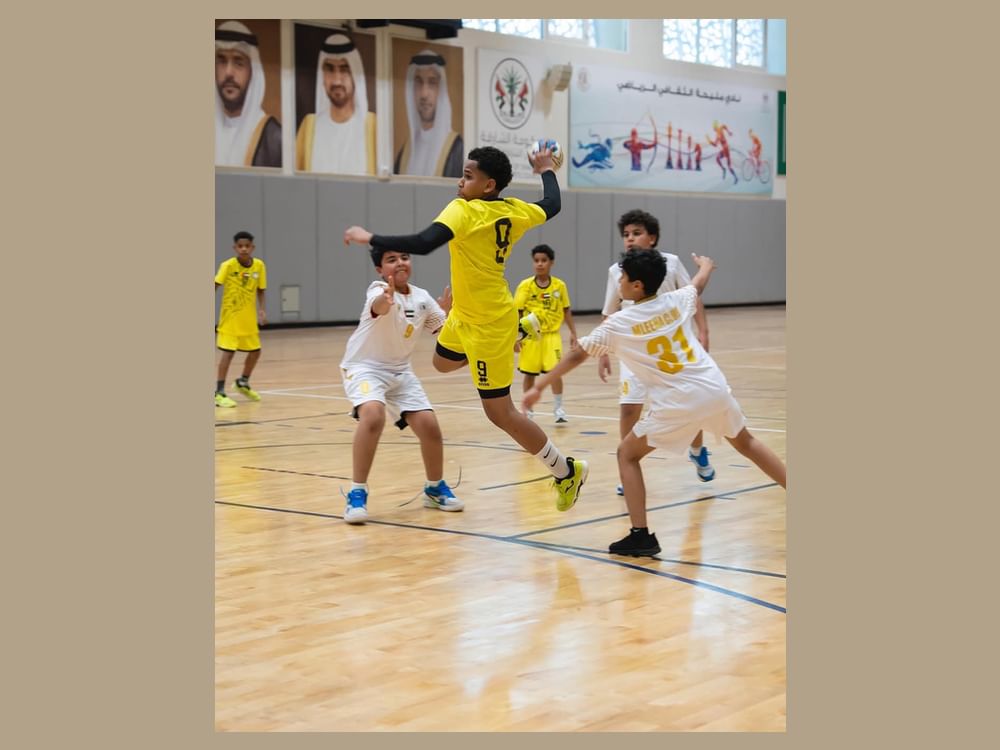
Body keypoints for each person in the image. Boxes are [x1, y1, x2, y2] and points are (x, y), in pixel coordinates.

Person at [343, 145, 588, 512]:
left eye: (468, 176)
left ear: (488, 185)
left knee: (500, 413)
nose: (460, 182)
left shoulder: (463, 210)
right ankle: (520, 331)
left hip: (489, 324)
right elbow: (552, 204)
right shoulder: (514, 210)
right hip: (464, 314)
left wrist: (372, 238)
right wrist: (545, 170)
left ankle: (565, 471)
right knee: (441, 363)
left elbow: (425, 242)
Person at [523, 249, 786, 556]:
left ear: (636, 286)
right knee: (746, 442)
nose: (619, 281)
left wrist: (540, 385)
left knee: (627, 454)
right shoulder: (677, 300)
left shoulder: (618, 323)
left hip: (679, 402)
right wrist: (706, 266)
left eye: (623, 277)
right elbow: (698, 285)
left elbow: (577, 354)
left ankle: (641, 536)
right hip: (713, 387)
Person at [339, 247, 463, 524]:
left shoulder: (422, 298)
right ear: (380, 269)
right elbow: (378, 306)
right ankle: (357, 492)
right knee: (373, 415)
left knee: (429, 426)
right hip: (364, 368)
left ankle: (434, 489)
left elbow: (443, 331)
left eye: (404, 257)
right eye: (391, 260)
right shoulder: (378, 291)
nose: (400, 263)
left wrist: (450, 315)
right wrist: (386, 299)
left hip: (400, 371)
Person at [599, 209, 714, 493]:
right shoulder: (616, 271)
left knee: (689, 405)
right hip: (634, 352)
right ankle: (627, 467)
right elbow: (609, 313)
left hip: (671, 350)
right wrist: (602, 352)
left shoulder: (671, 263)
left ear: (652, 238)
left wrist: (703, 331)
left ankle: (697, 450)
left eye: (636, 233)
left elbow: (694, 295)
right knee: (629, 409)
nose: (630, 239)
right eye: (626, 234)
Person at [513, 244, 579, 424]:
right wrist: (515, 338)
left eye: (544, 260)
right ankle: (528, 410)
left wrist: (573, 333)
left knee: (555, 372)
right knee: (529, 373)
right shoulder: (525, 286)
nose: (540, 264)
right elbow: (517, 312)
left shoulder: (559, 286)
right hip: (530, 336)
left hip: (552, 336)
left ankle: (558, 409)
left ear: (551, 263)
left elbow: (566, 310)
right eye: (536, 261)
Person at [295, 32, 376, 175]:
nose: (337, 80)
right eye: (329, 69)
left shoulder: (373, 126)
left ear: (355, 74)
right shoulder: (309, 126)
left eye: (344, 69)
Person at [215, 21, 282, 167]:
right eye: (222, 61)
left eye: (238, 62)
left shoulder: (274, 137)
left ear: (253, 72)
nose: (228, 73)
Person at [214, 231, 267, 407]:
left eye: (247, 246)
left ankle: (242, 382)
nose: (244, 249)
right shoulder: (228, 266)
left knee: (256, 351)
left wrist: (262, 309)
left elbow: (261, 289)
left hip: (248, 320)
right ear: (235, 248)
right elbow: (215, 284)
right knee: (228, 353)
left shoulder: (259, 265)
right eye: (240, 246)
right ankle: (219, 392)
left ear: (252, 247)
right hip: (230, 319)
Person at [394, 50, 464, 177]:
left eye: (432, 83)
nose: (424, 94)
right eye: (418, 82)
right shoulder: (405, 152)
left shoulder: (456, 149)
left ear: (441, 90)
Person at [707, 120, 738, 184]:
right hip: (724, 150)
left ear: (715, 127)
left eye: (713, 127)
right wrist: (710, 141)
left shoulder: (719, 130)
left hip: (726, 150)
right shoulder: (718, 133)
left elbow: (724, 126)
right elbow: (715, 144)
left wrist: (728, 132)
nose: (713, 129)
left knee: (728, 166)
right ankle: (724, 169)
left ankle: (735, 177)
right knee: (718, 159)